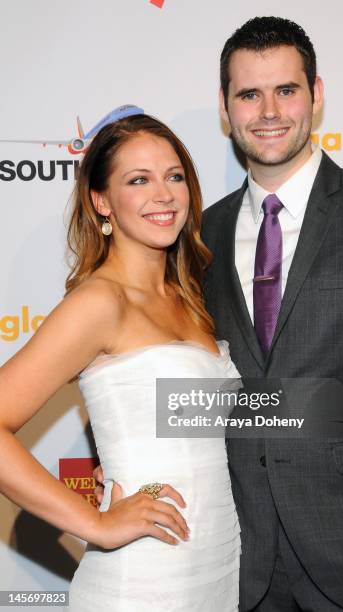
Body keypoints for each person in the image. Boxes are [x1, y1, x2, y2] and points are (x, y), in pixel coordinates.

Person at [200, 15, 343, 612]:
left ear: (316, 95)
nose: (268, 111)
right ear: (225, 106)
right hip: (241, 561)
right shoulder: (199, 235)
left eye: (286, 90)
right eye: (248, 94)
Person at [0, 111, 240, 610]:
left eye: (174, 176)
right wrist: (96, 524)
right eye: (138, 180)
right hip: (144, 580)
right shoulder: (100, 303)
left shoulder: (193, 297)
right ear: (101, 200)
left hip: (221, 571)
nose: (164, 194)